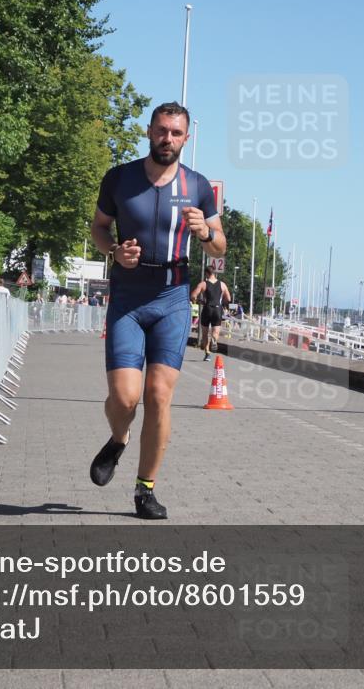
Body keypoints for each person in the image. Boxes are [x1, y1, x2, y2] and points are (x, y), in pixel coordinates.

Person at [88, 102, 226, 520]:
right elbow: (98, 228)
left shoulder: (198, 186)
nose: (168, 139)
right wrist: (114, 250)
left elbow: (219, 245)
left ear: (187, 138)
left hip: (172, 297)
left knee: (158, 397)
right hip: (129, 297)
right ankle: (118, 438)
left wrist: (205, 233)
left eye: (176, 133)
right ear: (149, 131)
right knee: (125, 398)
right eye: (162, 130)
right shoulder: (120, 179)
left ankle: (145, 489)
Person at [191, 265, 232, 361]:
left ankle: (207, 353)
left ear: (206, 273)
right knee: (216, 332)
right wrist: (221, 303)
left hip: (207, 308)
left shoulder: (203, 284)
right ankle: (214, 339)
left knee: (205, 334)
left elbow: (193, 295)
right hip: (218, 309)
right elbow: (229, 299)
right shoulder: (222, 284)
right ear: (215, 273)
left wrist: (199, 301)